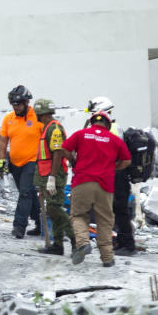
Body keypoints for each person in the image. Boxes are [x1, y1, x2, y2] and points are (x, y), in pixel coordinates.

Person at [62, 110, 131, 267]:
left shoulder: (81, 134)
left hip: (82, 182)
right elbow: (127, 160)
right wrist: (114, 167)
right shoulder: (115, 140)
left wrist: (73, 161)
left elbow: (64, 149)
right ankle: (107, 258)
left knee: (78, 215)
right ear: (108, 124)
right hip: (105, 186)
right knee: (105, 221)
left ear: (92, 122)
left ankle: (83, 243)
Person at [86, 96, 135, 256]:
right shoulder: (115, 127)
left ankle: (128, 245)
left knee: (120, 210)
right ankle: (122, 241)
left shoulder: (111, 129)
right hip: (116, 173)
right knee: (116, 209)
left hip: (117, 174)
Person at [0, 85, 43, 239]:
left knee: (24, 193)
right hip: (15, 163)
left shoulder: (37, 117)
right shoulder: (8, 119)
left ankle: (19, 226)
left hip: (32, 161)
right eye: (13, 105)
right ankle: (40, 223)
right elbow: (3, 142)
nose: (16, 107)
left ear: (26, 102)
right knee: (29, 193)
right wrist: (2, 161)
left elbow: (48, 135)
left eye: (18, 104)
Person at [31, 99, 75, 255]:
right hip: (46, 174)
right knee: (53, 209)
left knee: (55, 209)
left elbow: (58, 153)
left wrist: (52, 178)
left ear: (41, 113)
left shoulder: (54, 129)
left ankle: (75, 238)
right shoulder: (47, 128)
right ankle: (58, 245)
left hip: (53, 174)